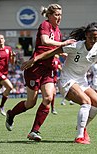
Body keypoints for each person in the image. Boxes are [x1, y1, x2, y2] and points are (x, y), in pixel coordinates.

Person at [20, 22, 97, 144]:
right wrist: (34, 59)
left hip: (82, 82)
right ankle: (79, 136)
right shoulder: (76, 46)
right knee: (86, 102)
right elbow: (53, 52)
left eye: (95, 37)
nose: (93, 40)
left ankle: (83, 126)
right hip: (67, 80)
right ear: (86, 35)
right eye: (90, 37)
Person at [5, 4, 76, 142]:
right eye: (56, 14)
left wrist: (66, 54)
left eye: (60, 15)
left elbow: (54, 51)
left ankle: (34, 131)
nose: (59, 17)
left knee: (48, 98)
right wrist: (63, 43)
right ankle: (11, 114)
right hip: (35, 67)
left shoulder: (58, 31)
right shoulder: (45, 25)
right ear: (49, 15)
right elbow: (45, 41)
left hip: (48, 69)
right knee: (30, 103)